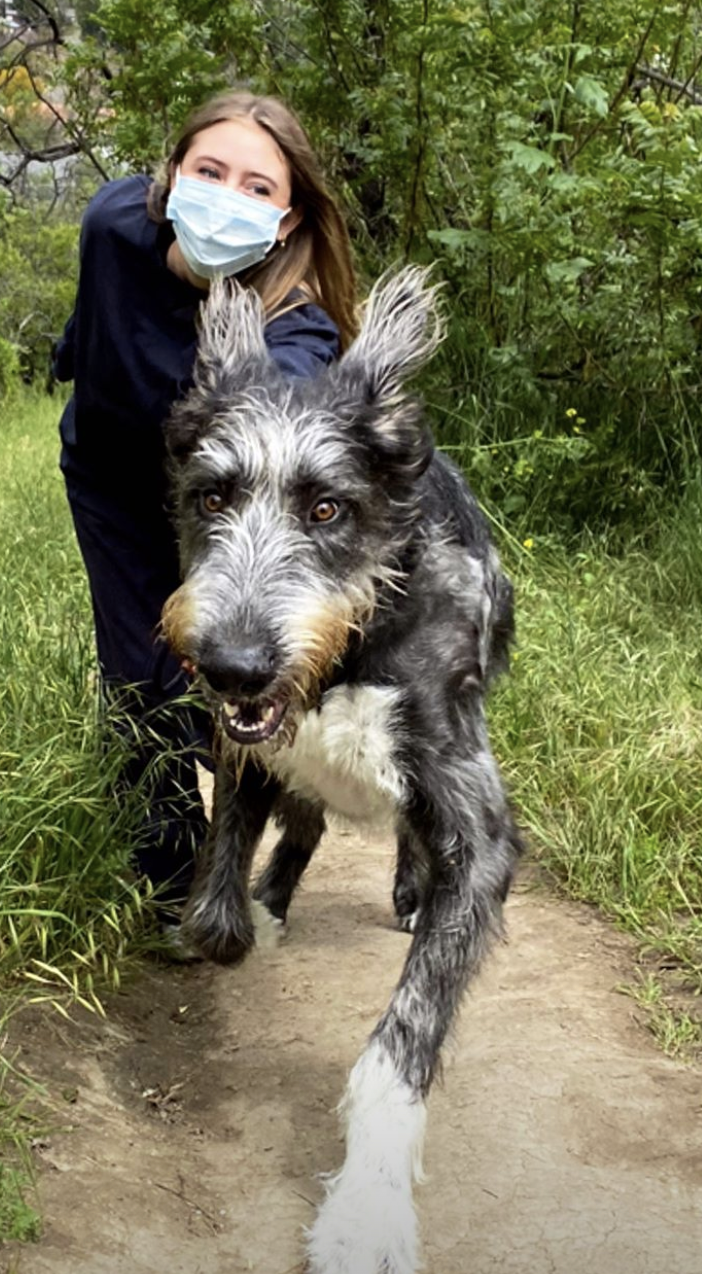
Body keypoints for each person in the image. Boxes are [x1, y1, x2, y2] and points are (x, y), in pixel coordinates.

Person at [54, 89, 358, 942]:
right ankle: (166, 884)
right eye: (209, 171)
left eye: (258, 187)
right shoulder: (114, 222)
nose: (229, 196)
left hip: (227, 513)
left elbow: (289, 426)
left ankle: (238, 836)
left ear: (289, 214)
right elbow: (97, 314)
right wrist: (71, 351)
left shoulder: (298, 334)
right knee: (138, 677)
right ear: (170, 178)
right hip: (110, 484)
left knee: (225, 675)